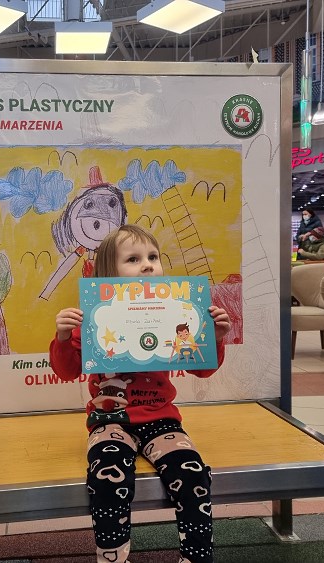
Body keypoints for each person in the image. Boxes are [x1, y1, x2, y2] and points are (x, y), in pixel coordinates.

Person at [50, 224, 231, 563]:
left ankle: (196, 557)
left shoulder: (175, 313)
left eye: (153, 257)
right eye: (133, 259)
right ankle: (113, 558)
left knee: (193, 474)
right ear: (107, 272)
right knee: (106, 478)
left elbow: (201, 368)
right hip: (109, 420)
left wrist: (215, 338)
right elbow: (67, 371)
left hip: (161, 420)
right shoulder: (93, 318)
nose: (148, 265)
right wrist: (62, 338)